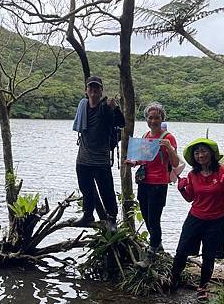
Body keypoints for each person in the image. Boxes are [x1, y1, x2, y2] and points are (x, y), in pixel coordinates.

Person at [171, 138, 224, 301]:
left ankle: (203, 287)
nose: (200, 155)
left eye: (204, 151)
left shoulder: (223, 171)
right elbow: (190, 198)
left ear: (212, 154)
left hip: (216, 219)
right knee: (181, 251)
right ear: (194, 157)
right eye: (197, 152)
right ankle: (174, 279)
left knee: (209, 255)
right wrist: (181, 189)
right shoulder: (193, 174)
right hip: (195, 217)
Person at [125, 102, 179, 255]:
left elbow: (175, 163)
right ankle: (158, 245)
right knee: (147, 218)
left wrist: (169, 148)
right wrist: (133, 162)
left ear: (162, 119)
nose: (153, 121)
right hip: (144, 182)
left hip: (159, 184)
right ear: (146, 120)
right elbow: (143, 159)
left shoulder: (168, 137)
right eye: (150, 118)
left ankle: (152, 251)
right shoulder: (146, 136)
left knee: (154, 219)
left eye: (157, 118)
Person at [72, 75, 125, 231]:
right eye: (91, 88)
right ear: (86, 90)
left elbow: (121, 123)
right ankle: (88, 214)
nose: (93, 91)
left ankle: (112, 219)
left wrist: (115, 108)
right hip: (83, 158)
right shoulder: (82, 106)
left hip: (101, 159)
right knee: (86, 189)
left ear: (101, 91)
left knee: (106, 190)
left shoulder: (105, 108)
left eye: (97, 88)